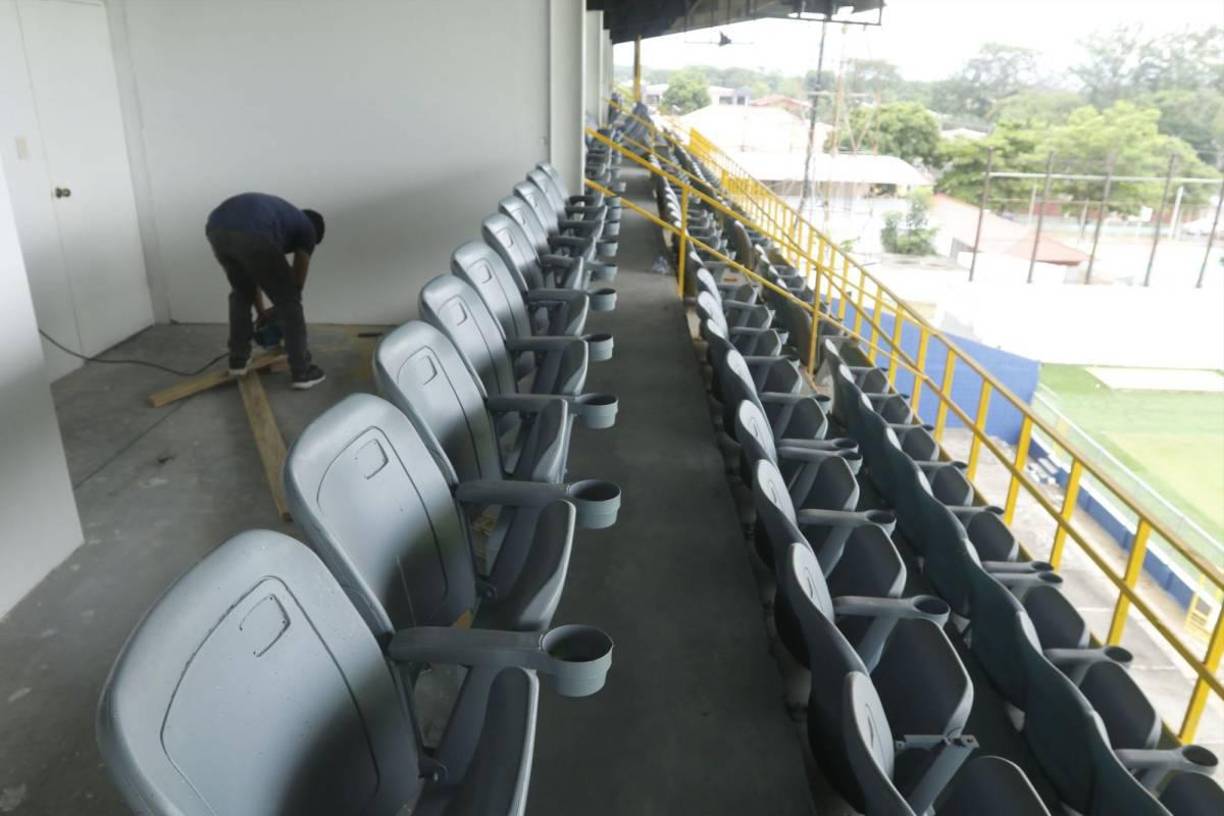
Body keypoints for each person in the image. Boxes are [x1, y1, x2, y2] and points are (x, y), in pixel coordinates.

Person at [205, 192, 326, 389]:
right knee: (290, 302)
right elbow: (297, 282)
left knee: (241, 292)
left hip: (217, 227)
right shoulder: (308, 229)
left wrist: (262, 312)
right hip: (252, 231)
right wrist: (281, 309)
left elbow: (254, 278)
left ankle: (238, 361)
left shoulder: (283, 218)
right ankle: (303, 371)